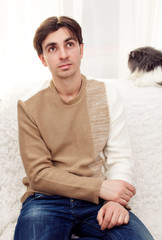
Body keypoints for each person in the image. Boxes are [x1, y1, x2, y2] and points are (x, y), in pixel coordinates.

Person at [14, 16, 154, 240]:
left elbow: (119, 156)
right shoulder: (29, 104)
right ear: (43, 59)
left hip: (96, 203)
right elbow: (39, 175)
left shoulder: (107, 94)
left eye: (69, 44)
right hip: (47, 200)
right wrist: (99, 188)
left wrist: (114, 201)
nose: (63, 54)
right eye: (52, 48)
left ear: (81, 49)